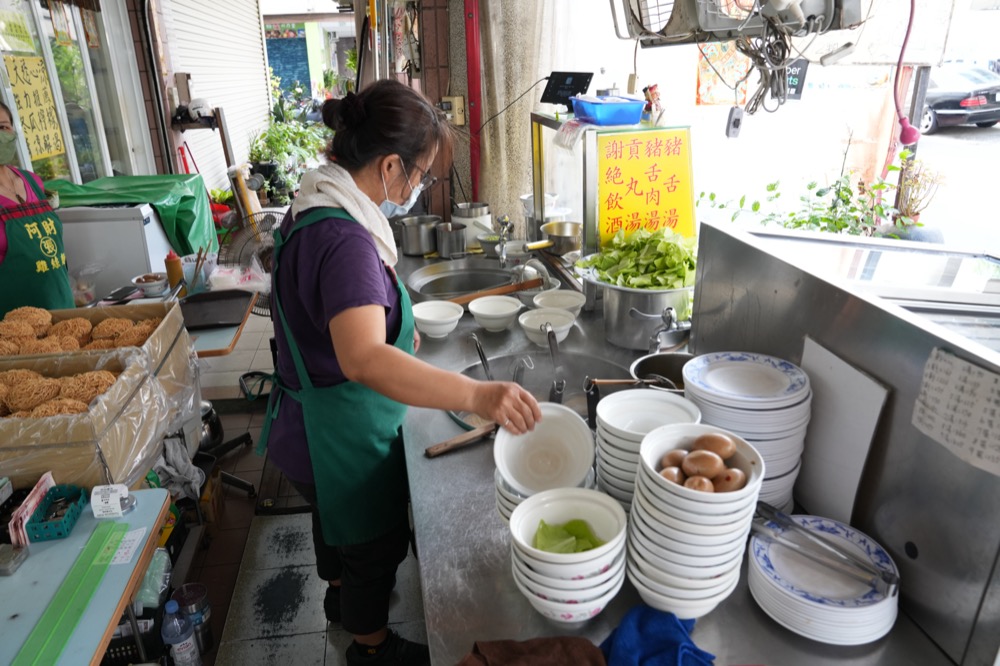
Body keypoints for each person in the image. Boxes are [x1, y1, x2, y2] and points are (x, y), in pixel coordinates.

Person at [258, 79, 541, 666]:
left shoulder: (315, 203)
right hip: (339, 433)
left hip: (304, 423)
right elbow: (362, 358)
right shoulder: (346, 242)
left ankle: (338, 598)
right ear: (388, 166)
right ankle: (370, 644)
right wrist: (477, 393)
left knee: (333, 527)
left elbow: (334, 323)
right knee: (373, 545)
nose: (417, 188)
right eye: (419, 174)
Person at [0, 100, 74, 315]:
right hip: (16, 329)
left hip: (63, 310)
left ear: (13, 131)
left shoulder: (33, 181)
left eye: (3, 127)